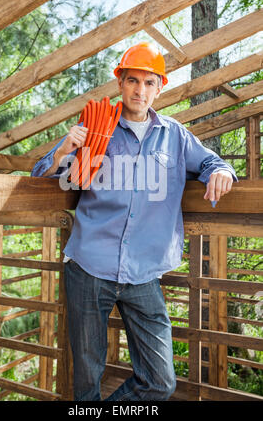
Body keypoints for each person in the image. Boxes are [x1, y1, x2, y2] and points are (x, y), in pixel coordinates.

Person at [31, 42, 237, 401]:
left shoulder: (175, 135)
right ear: (120, 84)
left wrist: (221, 170)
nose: (139, 90)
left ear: (159, 87)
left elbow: (210, 163)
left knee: (160, 381)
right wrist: (65, 149)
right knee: (86, 379)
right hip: (89, 267)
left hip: (144, 273)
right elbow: (43, 176)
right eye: (132, 81)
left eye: (148, 82)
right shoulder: (96, 127)